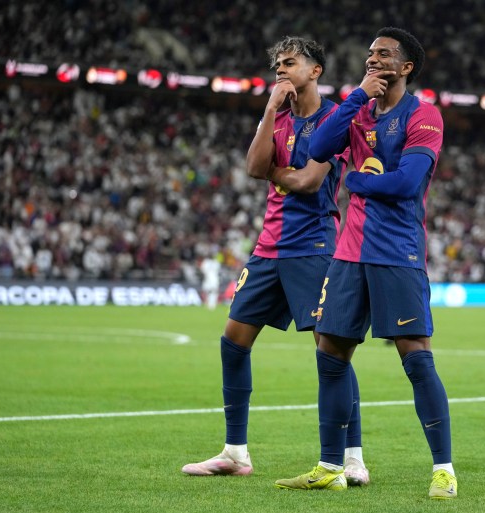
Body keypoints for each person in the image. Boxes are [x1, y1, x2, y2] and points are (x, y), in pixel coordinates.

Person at [274, 27, 456, 499]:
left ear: (407, 66)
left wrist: (358, 181)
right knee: (330, 356)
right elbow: (317, 150)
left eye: (384, 55)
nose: (373, 60)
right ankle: (331, 466)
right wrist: (356, 96)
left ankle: (443, 470)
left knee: (416, 360)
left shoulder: (424, 116)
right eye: (370, 54)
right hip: (348, 255)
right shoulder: (355, 113)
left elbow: (407, 183)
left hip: (398, 253)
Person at [181, 36, 370, 486]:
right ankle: (235, 452)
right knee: (233, 340)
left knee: (332, 351)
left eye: (291, 63)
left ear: (316, 70)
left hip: (314, 248)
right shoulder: (279, 118)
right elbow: (252, 166)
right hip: (269, 247)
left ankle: (353, 457)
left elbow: (307, 182)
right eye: (278, 65)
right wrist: (269, 111)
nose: (282, 71)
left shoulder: (337, 120)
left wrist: (276, 172)